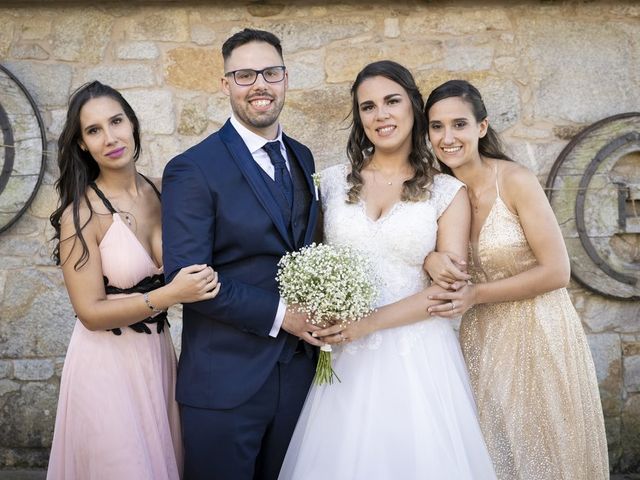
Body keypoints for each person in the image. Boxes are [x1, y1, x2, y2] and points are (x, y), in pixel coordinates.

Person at [277, 61, 496, 480]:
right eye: (368, 107)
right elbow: (313, 257)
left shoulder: (447, 191)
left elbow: (445, 293)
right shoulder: (332, 183)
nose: (381, 115)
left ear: (413, 106)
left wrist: (367, 324)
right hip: (344, 358)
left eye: (392, 101)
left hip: (417, 358)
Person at [423, 79, 609, 479]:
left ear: (482, 128)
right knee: (491, 453)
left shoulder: (514, 180)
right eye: (436, 127)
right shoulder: (435, 193)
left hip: (540, 332)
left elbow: (558, 271)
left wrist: (476, 294)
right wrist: (430, 256)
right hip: (481, 341)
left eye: (459, 124)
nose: (447, 137)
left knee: (549, 454)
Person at [161, 29, 323, 480]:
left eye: (270, 72)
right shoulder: (192, 168)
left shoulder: (303, 158)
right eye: (245, 74)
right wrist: (282, 315)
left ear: (286, 78)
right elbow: (188, 278)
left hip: (299, 375)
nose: (260, 85)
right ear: (226, 83)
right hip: (224, 385)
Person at [47, 81, 220, 480]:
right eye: (93, 131)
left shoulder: (163, 192)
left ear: (133, 124)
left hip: (156, 358)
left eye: (116, 121)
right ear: (82, 146)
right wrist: (170, 294)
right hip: (104, 365)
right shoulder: (81, 215)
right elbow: (90, 312)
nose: (110, 138)